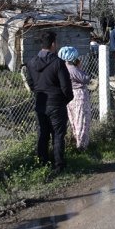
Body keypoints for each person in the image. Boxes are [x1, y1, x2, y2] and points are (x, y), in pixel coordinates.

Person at [25, 31, 74, 173]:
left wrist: (39, 94)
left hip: (41, 103)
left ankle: (42, 163)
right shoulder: (58, 63)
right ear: (53, 44)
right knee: (58, 135)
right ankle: (59, 166)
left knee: (42, 135)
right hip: (56, 103)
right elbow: (66, 87)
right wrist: (65, 100)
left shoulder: (31, 62)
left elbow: (31, 83)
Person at [58, 46, 92, 151]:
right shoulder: (72, 69)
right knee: (82, 120)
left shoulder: (63, 67)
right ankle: (81, 146)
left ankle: (78, 142)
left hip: (69, 96)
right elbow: (86, 79)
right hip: (79, 95)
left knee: (74, 120)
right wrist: (80, 68)